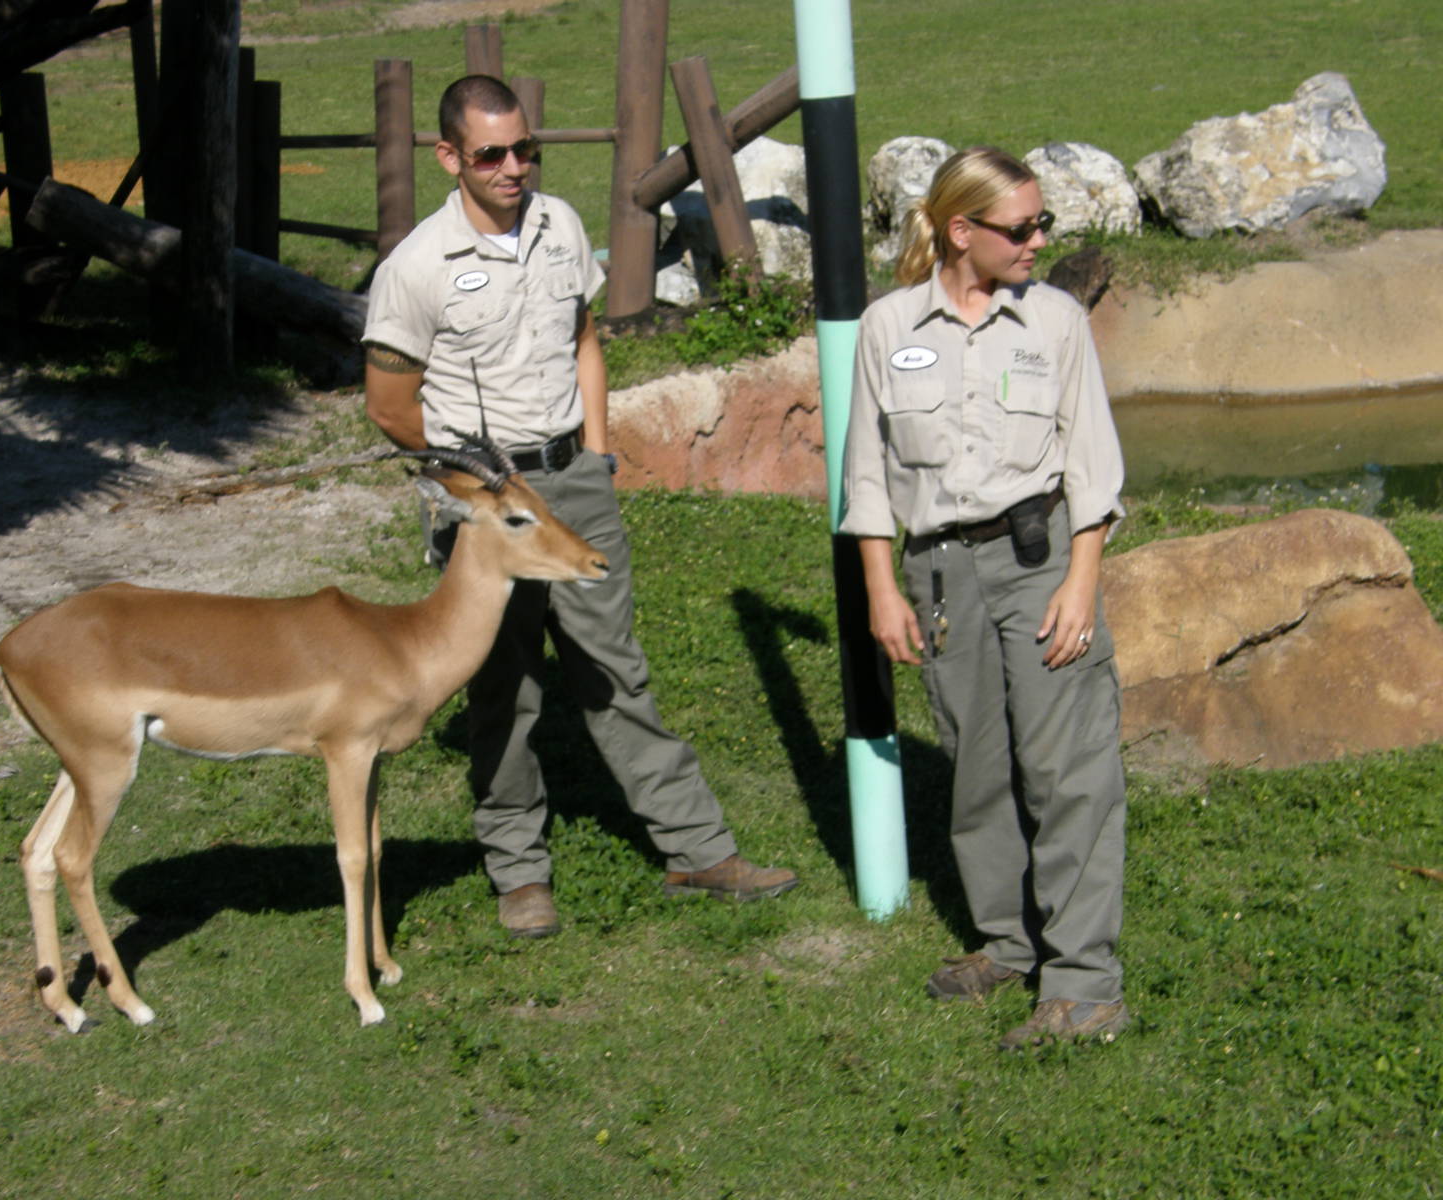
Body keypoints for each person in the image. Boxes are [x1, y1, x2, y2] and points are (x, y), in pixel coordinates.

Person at [361, 75, 797, 937]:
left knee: (613, 667)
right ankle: (520, 871)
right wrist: (467, 489)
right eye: (492, 154)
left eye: (527, 148)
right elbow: (386, 403)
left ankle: (697, 848)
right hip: (487, 501)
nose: (515, 166)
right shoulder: (416, 267)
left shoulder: (559, 225)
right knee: (504, 685)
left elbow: (583, 338)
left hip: (574, 480)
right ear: (450, 157)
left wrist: (597, 450)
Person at [840, 147, 1130, 1050]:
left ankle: (1084, 985)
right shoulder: (889, 326)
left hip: (1040, 562)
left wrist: (1082, 580)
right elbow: (868, 475)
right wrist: (882, 591)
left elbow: (1093, 465)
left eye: (1044, 224)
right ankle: (1008, 941)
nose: (1040, 240)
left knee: (1065, 767)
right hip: (936, 573)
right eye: (1023, 227)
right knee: (974, 765)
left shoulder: (1055, 321)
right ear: (961, 232)